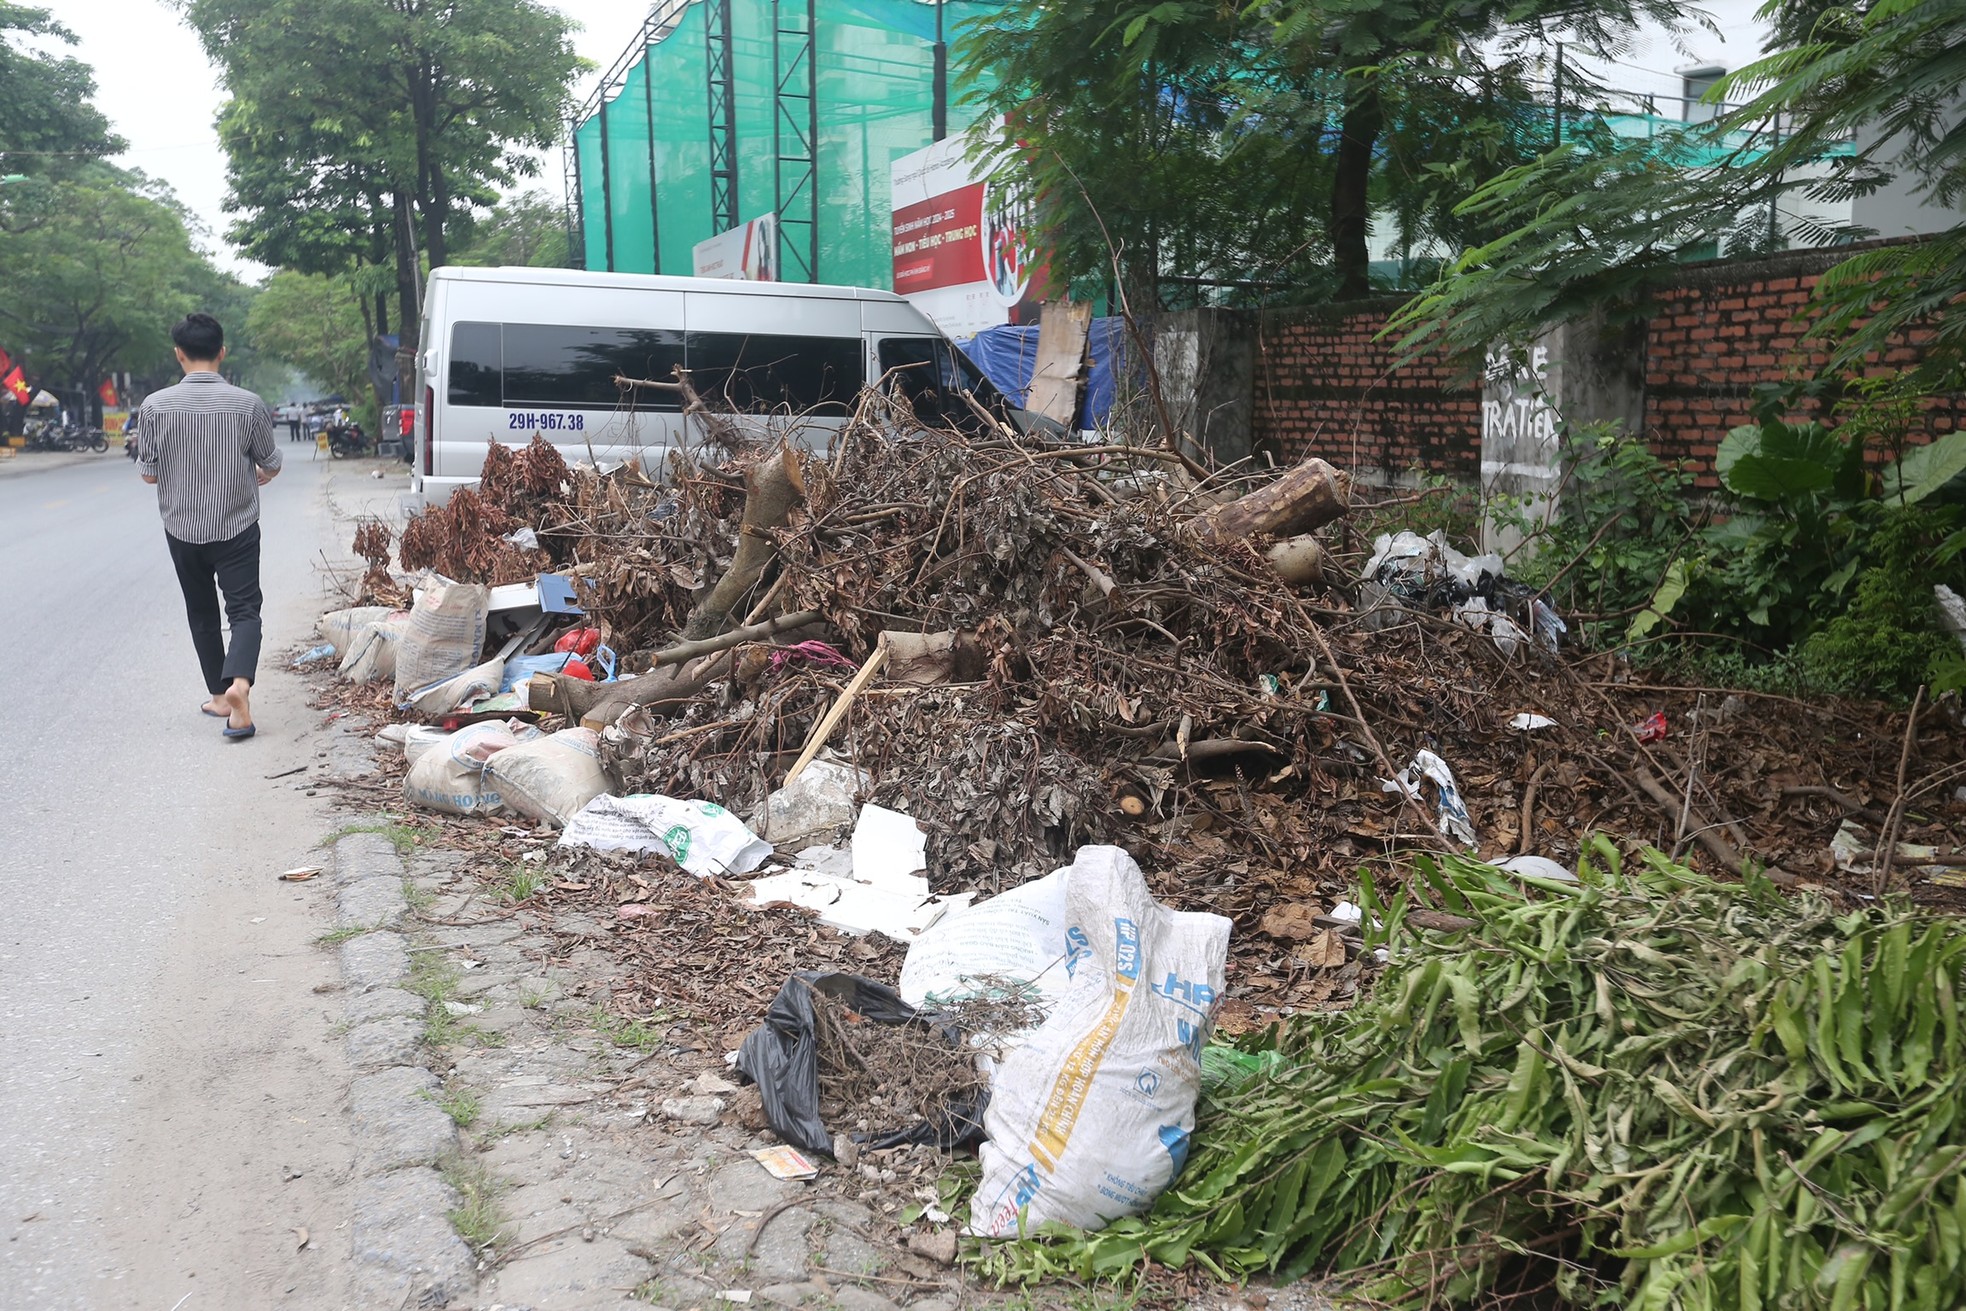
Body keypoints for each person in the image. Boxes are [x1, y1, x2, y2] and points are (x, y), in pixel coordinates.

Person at [134, 312, 281, 741]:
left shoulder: (154, 406)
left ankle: (220, 696)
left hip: (181, 528)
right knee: (244, 611)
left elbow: (148, 473)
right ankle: (240, 686)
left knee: (201, 611)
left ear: (178, 354)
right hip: (237, 525)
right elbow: (269, 463)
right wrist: (260, 475)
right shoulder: (248, 403)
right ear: (222, 352)